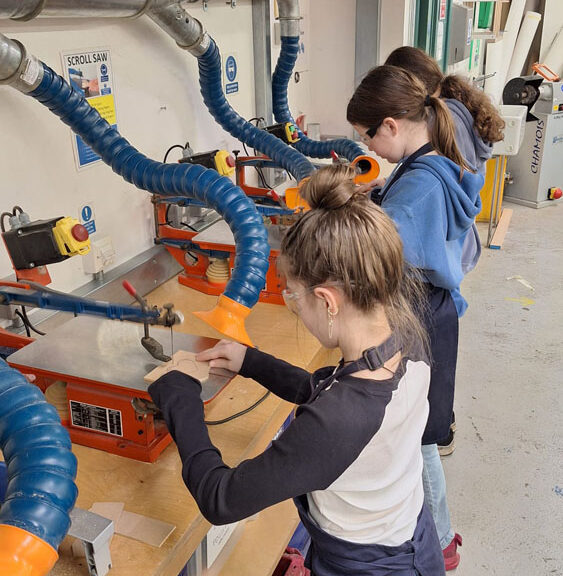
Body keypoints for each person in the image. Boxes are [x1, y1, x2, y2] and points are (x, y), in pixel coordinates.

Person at [148, 164, 445, 576]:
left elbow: (221, 499)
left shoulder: (341, 419)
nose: (295, 311)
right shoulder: (403, 343)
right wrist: (252, 361)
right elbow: (328, 394)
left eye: (294, 300)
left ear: (327, 300)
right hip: (411, 537)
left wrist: (179, 398)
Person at [347, 64, 486, 571]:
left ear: (389, 126)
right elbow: (406, 219)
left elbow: (378, 250)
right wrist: (378, 195)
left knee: (421, 433)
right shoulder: (431, 160)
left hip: (423, 315)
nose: (369, 149)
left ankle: (442, 541)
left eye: (366, 136)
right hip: (432, 309)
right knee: (418, 425)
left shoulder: (420, 187)